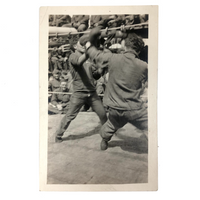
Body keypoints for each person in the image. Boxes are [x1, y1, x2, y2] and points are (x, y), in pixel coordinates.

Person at [85, 28, 148, 150]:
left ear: (125, 46)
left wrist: (89, 42)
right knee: (150, 128)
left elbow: (94, 54)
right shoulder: (144, 66)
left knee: (111, 124)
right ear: (139, 50)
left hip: (114, 106)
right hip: (133, 109)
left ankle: (104, 141)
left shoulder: (113, 58)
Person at [54, 35, 107, 143]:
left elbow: (95, 76)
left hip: (92, 93)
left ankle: (107, 134)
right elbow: (79, 62)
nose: (84, 45)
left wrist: (102, 68)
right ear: (75, 46)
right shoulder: (73, 56)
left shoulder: (89, 60)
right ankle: (59, 134)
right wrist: (89, 49)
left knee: (103, 114)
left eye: (85, 44)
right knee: (70, 116)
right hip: (79, 93)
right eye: (81, 44)